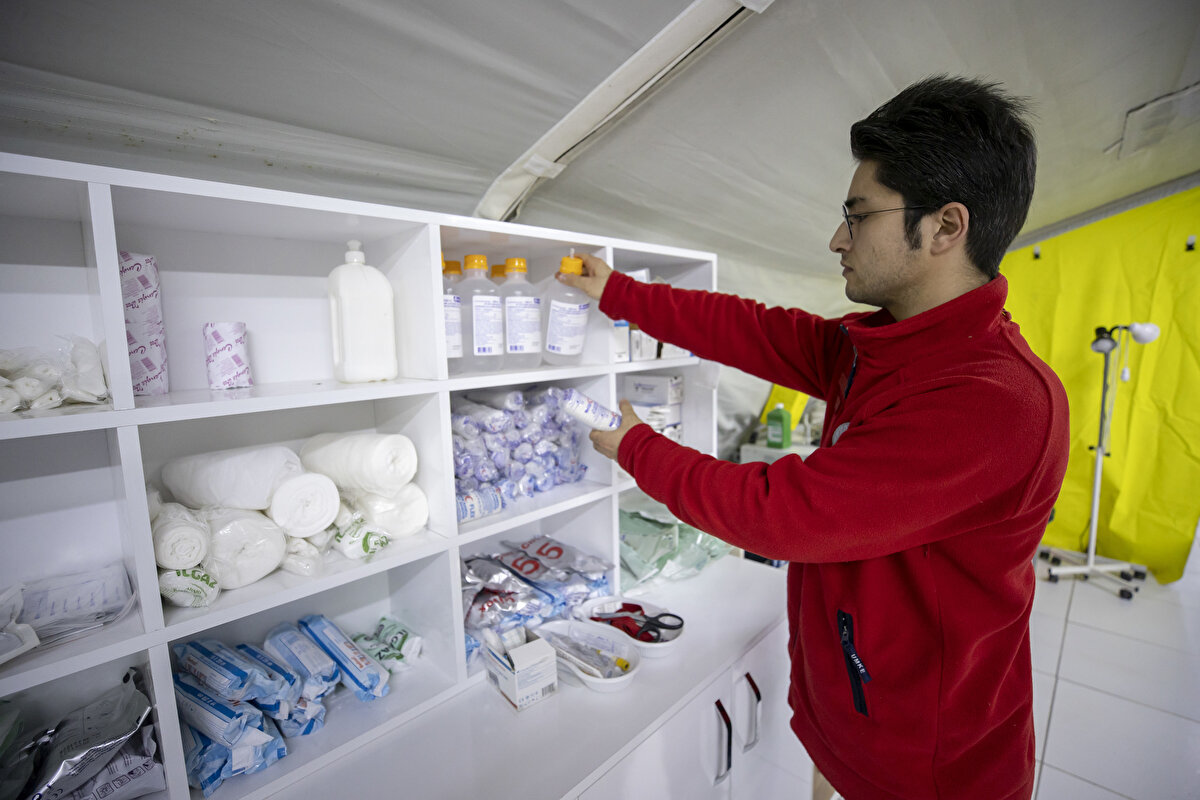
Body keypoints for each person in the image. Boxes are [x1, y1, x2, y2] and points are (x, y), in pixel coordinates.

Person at [560, 75, 1069, 800]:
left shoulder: (996, 403)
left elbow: (780, 513)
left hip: (924, 765)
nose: (838, 239)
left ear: (946, 227)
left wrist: (636, 445)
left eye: (858, 217)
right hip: (851, 713)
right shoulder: (890, 344)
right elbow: (760, 331)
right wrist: (621, 295)